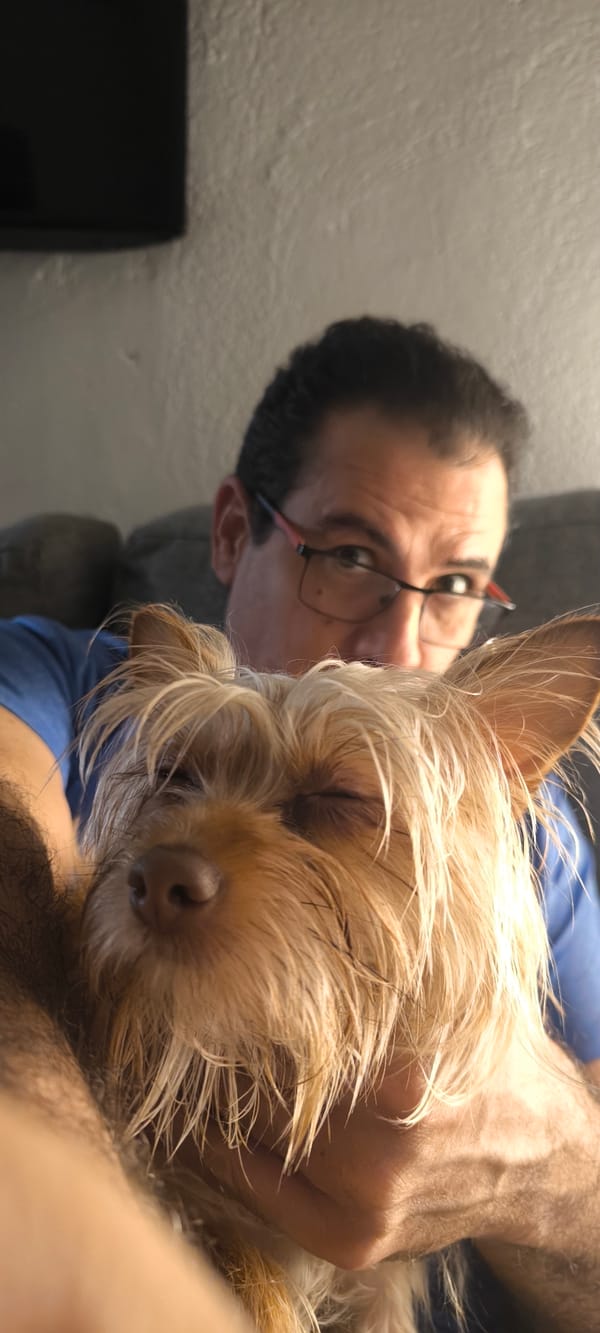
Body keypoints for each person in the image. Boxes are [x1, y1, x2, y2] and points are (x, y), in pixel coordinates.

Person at [1, 317, 599, 1331]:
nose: (400, 638)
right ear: (233, 533)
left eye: (455, 586)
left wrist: (549, 1168)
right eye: (352, 556)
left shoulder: (518, 842)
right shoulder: (67, 681)